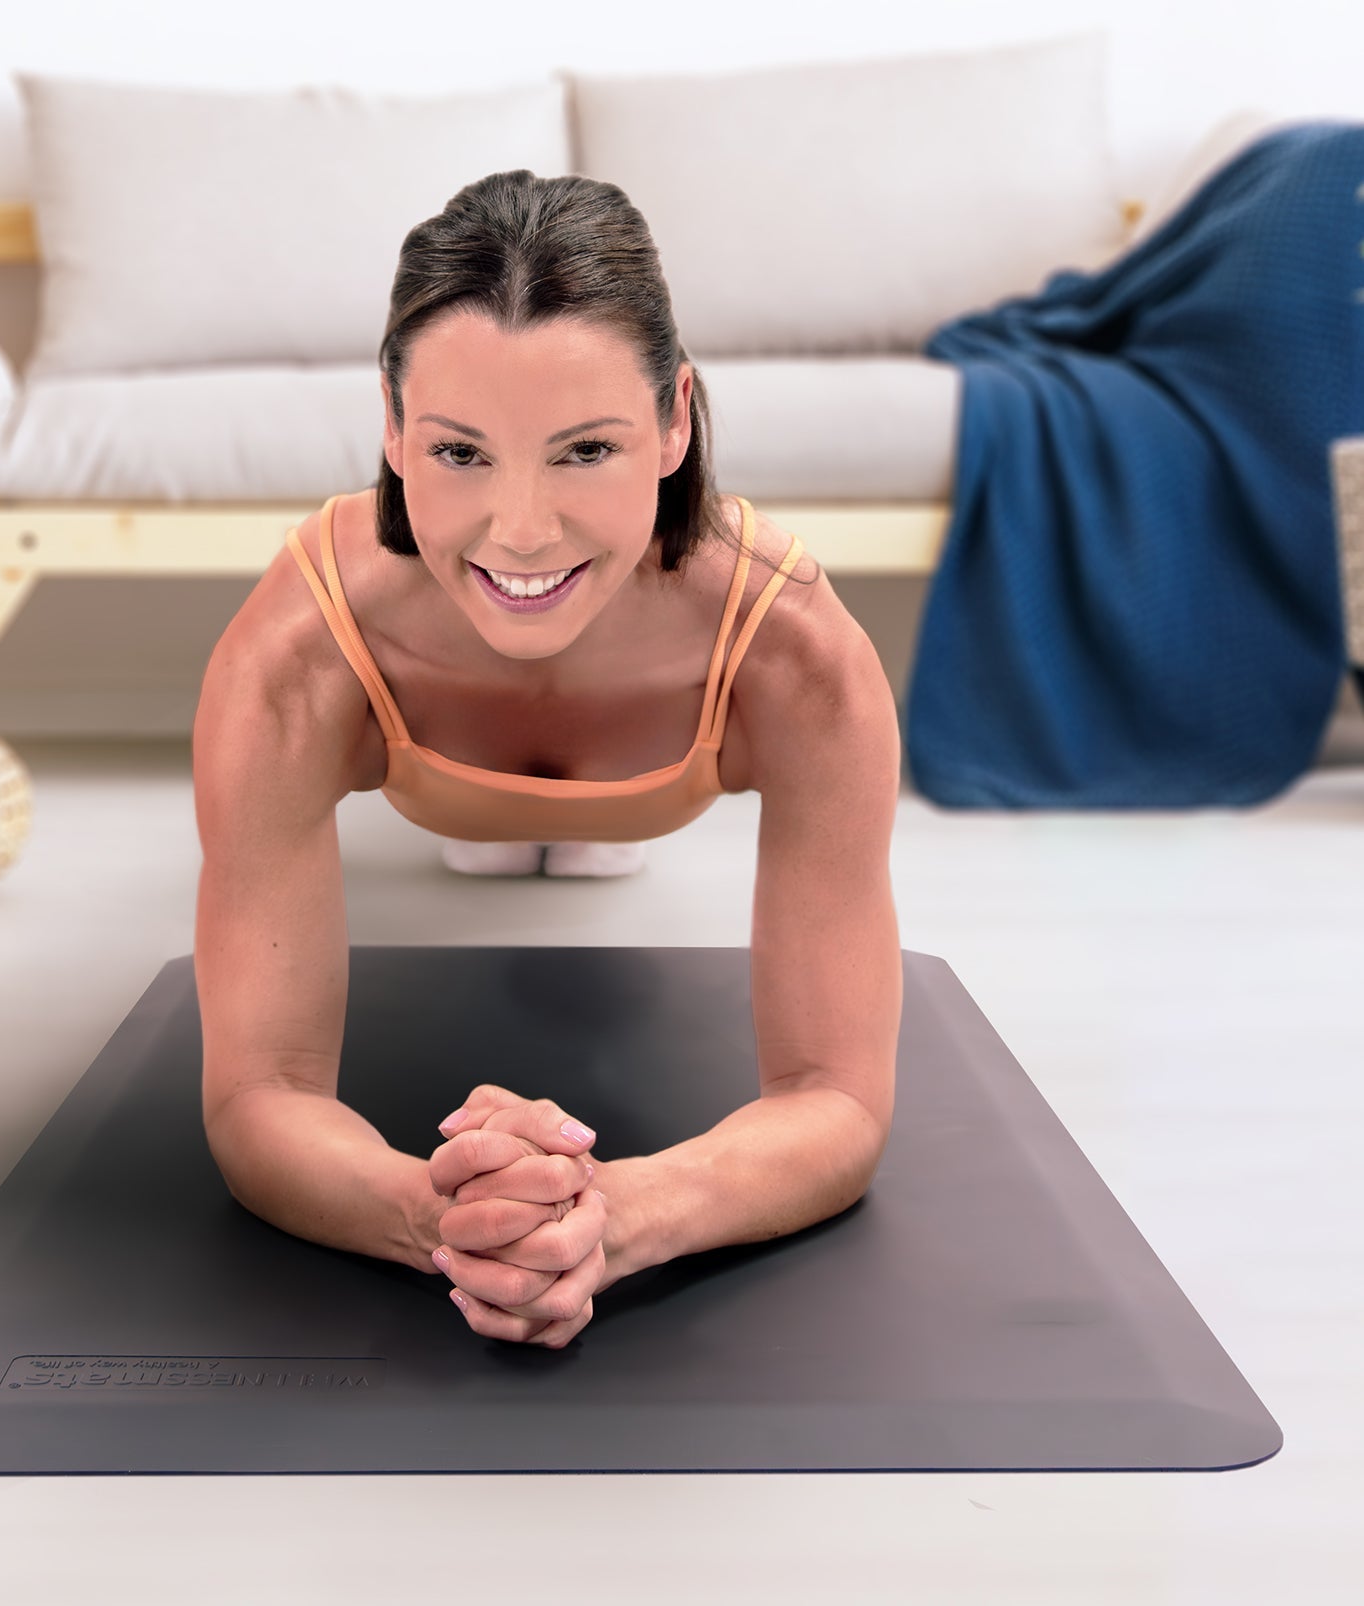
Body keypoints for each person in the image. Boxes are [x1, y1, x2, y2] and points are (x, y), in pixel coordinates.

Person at [192, 169, 903, 1351]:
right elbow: (257, 1093)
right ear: (391, 426)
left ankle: (568, 835)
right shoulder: (299, 650)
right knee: (479, 845)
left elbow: (839, 1097)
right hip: (414, 744)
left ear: (675, 421)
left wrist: (619, 1215)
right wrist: (442, 1217)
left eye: (584, 450)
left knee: (581, 850)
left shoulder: (796, 652)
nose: (521, 531)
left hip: (662, 732)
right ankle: (519, 832)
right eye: (460, 453)